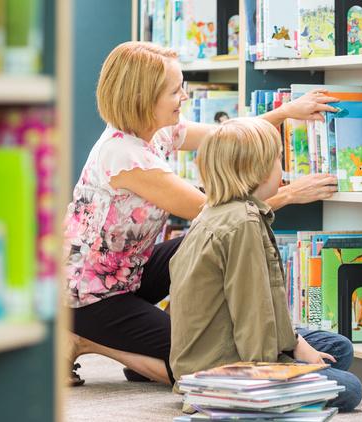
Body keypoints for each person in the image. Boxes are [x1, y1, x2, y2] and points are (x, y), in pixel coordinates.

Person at [65, 41, 339, 386]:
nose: (184, 97)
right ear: (142, 99)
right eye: (175, 90)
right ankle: (88, 340)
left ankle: (141, 339)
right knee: (195, 364)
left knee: (194, 246)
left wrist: (284, 112)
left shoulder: (157, 131)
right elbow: (217, 215)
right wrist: (289, 194)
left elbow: (229, 138)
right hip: (89, 295)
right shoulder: (125, 156)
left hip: (128, 270)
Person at [168, 118, 362, 412]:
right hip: (223, 369)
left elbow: (261, 304)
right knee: (350, 389)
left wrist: (295, 342)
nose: (282, 169)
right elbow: (252, 312)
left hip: (209, 350)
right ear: (257, 171)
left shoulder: (217, 211)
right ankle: (231, 398)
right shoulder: (242, 223)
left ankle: (278, 369)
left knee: (338, 348)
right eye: (278, 160)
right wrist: (274, 372)